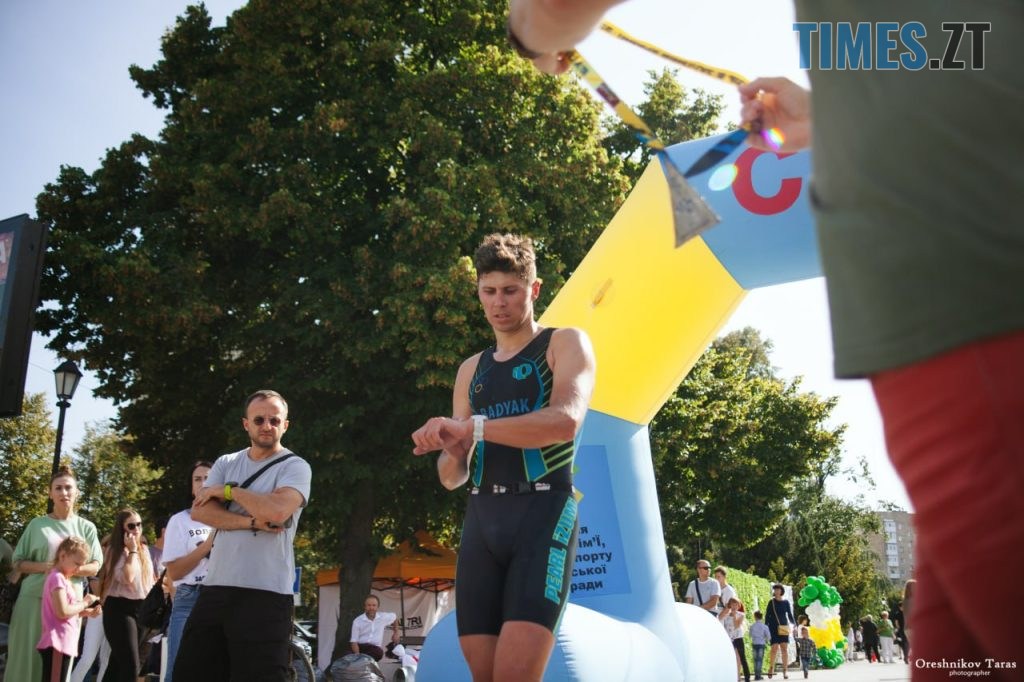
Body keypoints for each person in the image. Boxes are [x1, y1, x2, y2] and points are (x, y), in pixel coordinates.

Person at [507, 1, 1024, 677]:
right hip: (952, 308)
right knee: (961, 647)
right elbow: (955, 64)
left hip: (970, 314)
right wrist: (832, 116)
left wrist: (533, 28)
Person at [411, 233, 596, 682]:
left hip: (543, 512)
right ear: (478, 292)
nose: (499, 302)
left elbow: (565, 422)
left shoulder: (564, 342)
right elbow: (451, 477)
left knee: (515, 675)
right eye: (489, 291)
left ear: (534, 289)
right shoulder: (471, 369)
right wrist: (451, 447)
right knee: (484, 675)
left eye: (511, 290)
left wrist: (473, 428)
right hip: (482, 519)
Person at [173, 389, 312, 681]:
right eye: (259, 419)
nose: (267, 426)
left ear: (285, 425)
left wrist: (228, 492)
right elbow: (201, 512)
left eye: (275, 420)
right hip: (215, 589)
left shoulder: (295, 466)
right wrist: (251, 522)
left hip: (267, 593)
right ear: (246, 424)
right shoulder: (226, 462)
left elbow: (277, 512)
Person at [4, 467, 102, 682]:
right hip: (32, 601)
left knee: (57, 670)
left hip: (67, 607)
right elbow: (17, 561)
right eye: (58, 488)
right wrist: (49, 567)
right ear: (50, 493)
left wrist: (67, 570)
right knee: (25, 661)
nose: (64, 492)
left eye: (68, 488)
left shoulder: (87, 527)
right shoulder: (37, 525)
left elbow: (95, 565)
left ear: (77, 492)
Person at [160, 460, 215, 682]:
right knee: (178, 670)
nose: (203, 483)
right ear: (191, 487)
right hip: (189, 597)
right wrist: (206, 546)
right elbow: (175, 572)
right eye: (197, 479)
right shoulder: (180, 521)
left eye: (208, 478)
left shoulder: (230, 519)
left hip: (220, 597)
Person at [98, 508, 155, 682]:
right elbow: (127, 578)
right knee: (131, 666)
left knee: (117, 665)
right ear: (122, 528)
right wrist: (132, 551)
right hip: (119, 609)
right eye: (131, 526)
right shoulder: (114, 550)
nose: (136, 529)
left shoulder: (144, 549)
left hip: (141, 609)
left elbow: (148, 582)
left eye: (139, 524)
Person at [37, 536, 104, 682]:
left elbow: (65, 612)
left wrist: (86, 613)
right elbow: (62, 612)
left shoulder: (63, 579)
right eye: (77, 563)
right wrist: (85, 603)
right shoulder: (57, 578)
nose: (79, 569)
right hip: (57, 643)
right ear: (62, 556)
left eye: (82, 565)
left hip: (63, 643)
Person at [349, 594, 399, 661]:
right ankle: (362, 661)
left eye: (374, 605)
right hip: (360, 647)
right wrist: (357, 656)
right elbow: (354, 641)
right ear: (365, 606)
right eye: (369, 605)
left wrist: (396, 633)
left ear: (377, 607)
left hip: (374, 649)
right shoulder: (357, 621)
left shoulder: (383, 617)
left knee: (379, 652)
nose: (371, 608)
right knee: (345, 655)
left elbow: (395, 617)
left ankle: (363, 661)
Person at [764, 584, 794, 679]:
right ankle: (771, 668)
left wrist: (794, 624)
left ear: (781, 591)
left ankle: (785, 671)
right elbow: (767, 615)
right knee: (774, 648)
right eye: (775, 589)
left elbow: (789, 614)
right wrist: (766, 627)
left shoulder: (786, 602)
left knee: (784, 649)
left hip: (783, 627)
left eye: (778, 589)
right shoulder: (771, 602)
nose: (776, 591)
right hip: (773, 627)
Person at [719, 597, 750, 682]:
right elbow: (719, 618)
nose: (734, 606)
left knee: (742, 657)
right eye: (733, 604)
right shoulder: (726, 615)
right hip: (729, 639)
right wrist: (726, 610)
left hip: (738, 638)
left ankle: (747, 677)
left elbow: (736, 625)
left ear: (738, 605)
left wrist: (734, 615)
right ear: (730, 605)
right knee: (729, 657)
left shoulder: (741, 615)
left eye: (736, 604)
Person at [750, 610, 771, 680]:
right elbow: (769, 637)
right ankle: (758, 675)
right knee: (760, 660)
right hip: (761, 644)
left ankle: (756, 675)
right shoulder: (765, 626)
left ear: (755, 617)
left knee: (755, 660)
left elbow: (750, 635)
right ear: (762, 617)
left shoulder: (752, 626)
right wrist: (765, 639)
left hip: (754, 643)